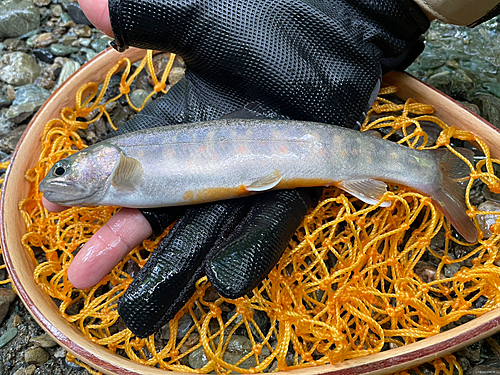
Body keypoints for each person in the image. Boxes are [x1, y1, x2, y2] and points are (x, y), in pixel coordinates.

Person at [43, 0, 500, 335]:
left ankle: (429, 169)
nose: (57, 180)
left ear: (101, 163)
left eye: (64, 171)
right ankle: (427, 167)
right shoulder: (116, 173)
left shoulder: (122, 166)